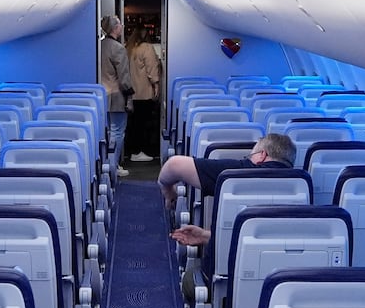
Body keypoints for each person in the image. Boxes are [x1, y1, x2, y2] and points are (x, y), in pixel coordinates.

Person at [158, 132, 298, 241]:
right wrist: (205, 236)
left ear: (262, 155)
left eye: (250, 156)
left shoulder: (238, 172)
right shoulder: (300, 184)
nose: (247, 159)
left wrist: (168, 191)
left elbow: (173, 165)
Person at [97, 15, 132, 178]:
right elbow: (124, 77)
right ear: (115, 28)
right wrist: (130, 92)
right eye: (120, 24)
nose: (122, 26)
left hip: (102, 95)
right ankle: (113, 166)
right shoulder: (118, 48)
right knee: (117, 132)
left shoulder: (99, 46)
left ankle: (107, 165)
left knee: (107, 132)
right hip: (116, 95)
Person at [125, 30, 162, 161]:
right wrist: (156, 84)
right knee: (143, 123)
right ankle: (140, 151)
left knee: (134, 123)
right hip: (144, 92)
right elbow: (151, 68)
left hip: (131, 93)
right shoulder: (147, 48)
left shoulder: (129, 48)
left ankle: (132, 150)